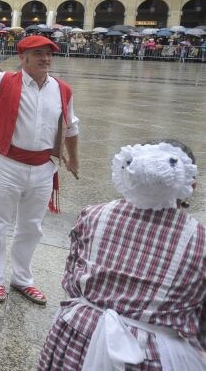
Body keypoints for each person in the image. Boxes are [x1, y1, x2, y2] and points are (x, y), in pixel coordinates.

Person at [37, 140, 204, 370]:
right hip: (146, 355)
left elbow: (71, 281)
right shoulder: (199, 240)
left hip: (77, 336)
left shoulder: (94, 215)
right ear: (190, 185)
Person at [0, 12, 80, 305]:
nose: (46, 59)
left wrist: (73, 159)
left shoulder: (63, 89)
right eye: (39, 54)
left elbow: (72, 127)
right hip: (7, 165)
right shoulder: (3, 82)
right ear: (22, 58)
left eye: (49, 55)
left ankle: (23, 279)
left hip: (43, 169)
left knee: (32, 226)